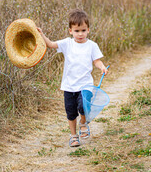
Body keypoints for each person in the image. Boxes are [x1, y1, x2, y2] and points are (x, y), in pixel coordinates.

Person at [37, 9, 108, 147]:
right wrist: (41, 34)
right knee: (70, 112)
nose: (80, 34)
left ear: (88, 30)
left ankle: (83, 123)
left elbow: (97, 61)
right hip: (69, 85)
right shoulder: (67, 44)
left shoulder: (92, 45)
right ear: (70, 31)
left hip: (85, 85)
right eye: (76, 31)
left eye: (83, 30)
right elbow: (50, 44)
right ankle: (74, 136)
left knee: (83, 106)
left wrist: (102, 67)